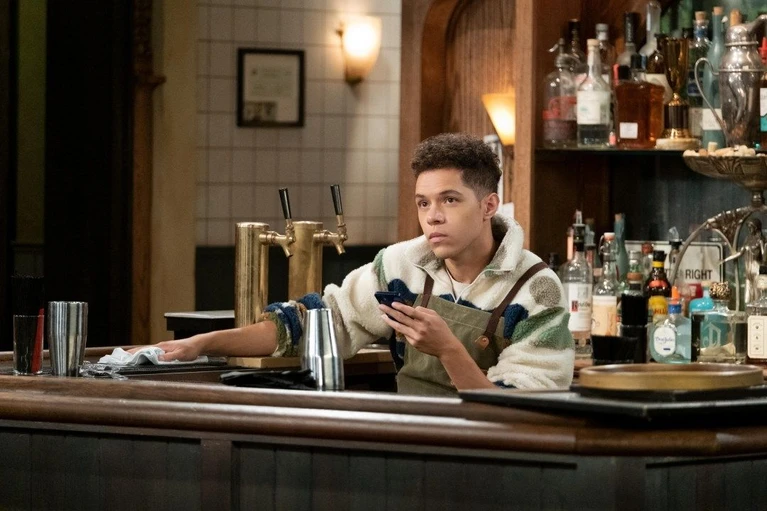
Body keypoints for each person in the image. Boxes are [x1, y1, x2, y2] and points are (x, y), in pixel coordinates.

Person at [146, 133, 575, 396]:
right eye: (423, 203)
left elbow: (517, 410)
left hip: (492, 458)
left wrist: (447, 348)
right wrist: (202, 344)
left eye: (449, 200)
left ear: (489, 205)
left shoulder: (535, 288)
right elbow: (313, 323)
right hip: (407, 437)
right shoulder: (402, 265)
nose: (433, 217)